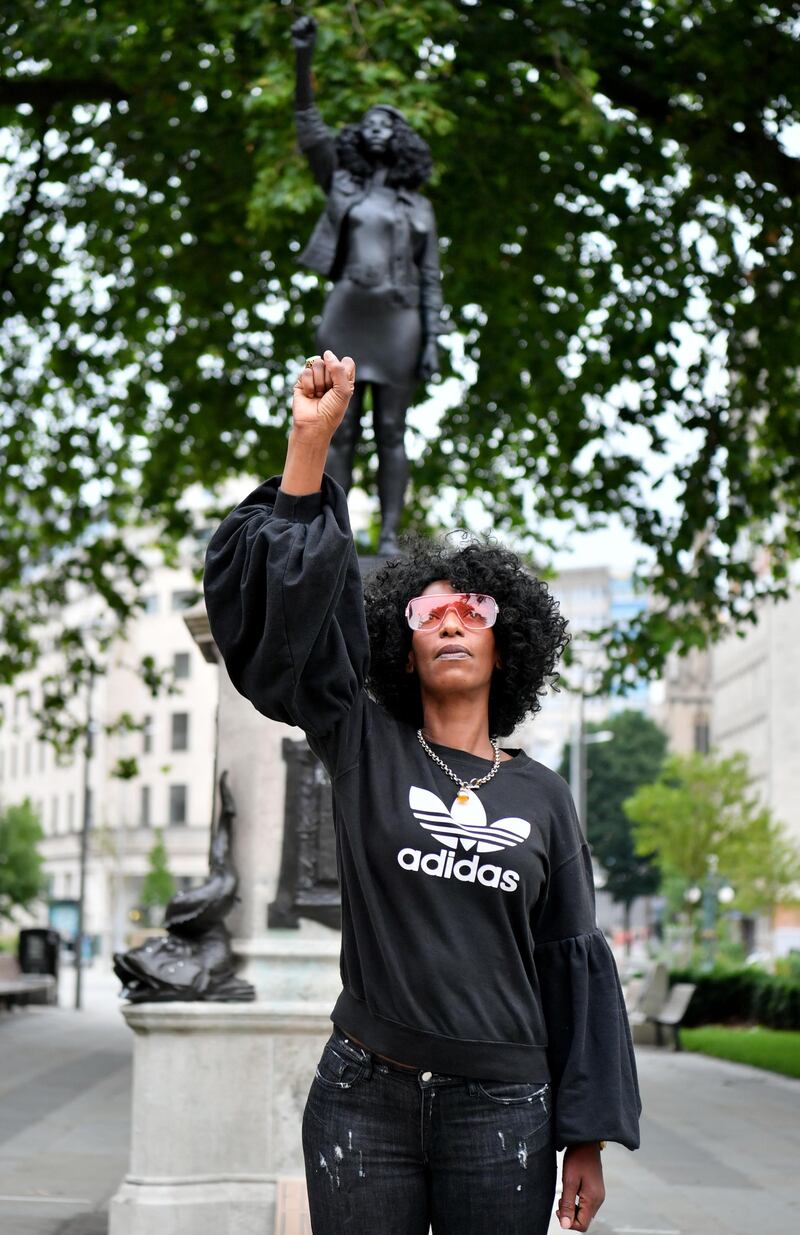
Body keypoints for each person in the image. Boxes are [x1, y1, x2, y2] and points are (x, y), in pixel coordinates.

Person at [203, 351, 641, 1235]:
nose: (448, 619)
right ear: (402, 651)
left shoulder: (546, 798)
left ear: (503, 644)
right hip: (364, 1098)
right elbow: (291, 634)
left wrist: (584, 1137)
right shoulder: (363, 742)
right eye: (425, 613)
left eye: (471, 611)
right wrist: (309, 445)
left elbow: (571, 962)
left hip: (505, 1108)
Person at [291, 14, 444, 554]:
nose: (378, 125)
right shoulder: (342, 183)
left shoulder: (420, 206)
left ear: (402, 140)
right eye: (370, 121)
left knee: (393, 431)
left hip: (401, 321)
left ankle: (394, 540)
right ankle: (334, 533)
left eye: (390, 122)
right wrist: (303, 56)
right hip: (348, 313)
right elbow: (308, 124)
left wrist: (433, 339)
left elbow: (431, 278)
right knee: (338, 428)